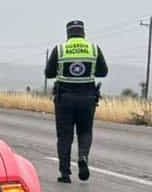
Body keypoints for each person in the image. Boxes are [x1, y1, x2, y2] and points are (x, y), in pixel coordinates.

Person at [44, 19, 108, 183]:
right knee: (85, 131)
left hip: (64, 98)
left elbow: (49, 73)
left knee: (65, 136)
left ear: (68, 33)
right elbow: (103, 71)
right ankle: (83, 157)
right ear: (83, 33)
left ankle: (65, 173)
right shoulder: (93, 49)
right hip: (87, 98)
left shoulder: (60, 49)